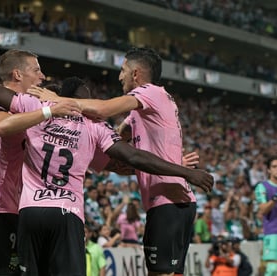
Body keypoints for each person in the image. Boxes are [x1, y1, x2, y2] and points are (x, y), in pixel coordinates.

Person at [0, 74, 213, 275]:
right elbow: (132, 158)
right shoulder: (94, 126)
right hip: (67, 213)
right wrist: (182, 171)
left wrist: (45, 103)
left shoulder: (37, 108)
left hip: (30, 211)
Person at [27, 47, 207, 276]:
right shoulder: (142, 112)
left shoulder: (151, 92)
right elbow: (117, 146)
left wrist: (58, 100)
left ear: (136, 74)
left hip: (168, 200)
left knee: (160, 274)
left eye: (123, 71)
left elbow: (103, 109)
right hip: (171, 199)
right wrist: (174, 163)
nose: (119, 76)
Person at [0, 49, 78, 276]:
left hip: (1, 205)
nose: (42, 76)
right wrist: (50, 110)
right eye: (36, 70)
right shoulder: (4, 101)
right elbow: (2, 126)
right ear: (18, 75)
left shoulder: (11, 103)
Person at [254, 156, 277, 276]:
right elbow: (263, 209)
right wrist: (274, 199)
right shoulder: (262, 187)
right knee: (273, 269)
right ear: (268, 170)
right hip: (273, 232)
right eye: (274, 167)